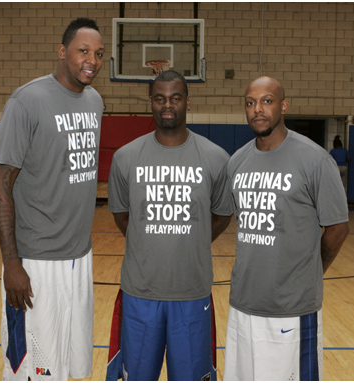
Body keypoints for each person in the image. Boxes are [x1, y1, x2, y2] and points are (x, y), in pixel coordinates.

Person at [0, 18, 104, 381]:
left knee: (70, 367)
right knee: (33, 371)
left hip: (80, 259)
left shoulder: (95, 101)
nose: (92, 60)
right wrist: (12, 264)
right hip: (35, 262)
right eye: (83, 51)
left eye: (99, 54)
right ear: (61, 52)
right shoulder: (27, 101)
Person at [105, 70, 233, 381]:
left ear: (187, 101)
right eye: (160, 98)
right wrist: (146, 240)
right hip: (139, 294)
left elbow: (223, 214)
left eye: (175, 98)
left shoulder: (216, 158)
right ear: (151, 102)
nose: (167, 105)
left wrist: (194, 239)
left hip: (191, 293)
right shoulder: (126, 158)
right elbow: (123, 217)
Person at [224, 76, 350, 381]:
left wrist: (310, 272)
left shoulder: (314, 160)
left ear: (283, 106)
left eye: (266, 101)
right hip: (243, 303)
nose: (258, 110)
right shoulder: (238, 162)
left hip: (292, 308)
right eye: (250, 102)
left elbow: (337, 227)